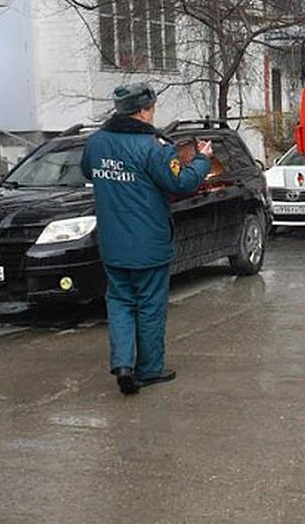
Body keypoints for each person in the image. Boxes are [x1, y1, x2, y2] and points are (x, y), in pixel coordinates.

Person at [81, 82, 213, 395]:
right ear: (144, 110)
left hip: (112, 241)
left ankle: (123, 365)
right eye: (152, 109)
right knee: (150, 306)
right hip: (149, 242)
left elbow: (88, 171)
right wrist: (203, 159)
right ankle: (150, 369)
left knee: (121, 303)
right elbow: (181, 182)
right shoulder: (154, 146)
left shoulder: (97, 142)